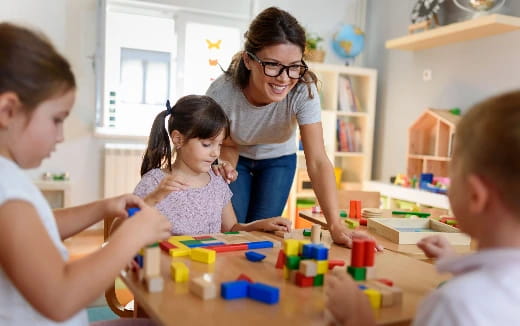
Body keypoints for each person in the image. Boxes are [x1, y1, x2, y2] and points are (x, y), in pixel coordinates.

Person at [0, 23, 171, 325]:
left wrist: (103, 207)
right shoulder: (7, 192)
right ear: (8, 111)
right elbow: (60, 298)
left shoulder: (8, 181)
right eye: (56, 119)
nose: (60, 136)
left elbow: (34, 230)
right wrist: (132, 236)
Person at [325, 90, 520, 326]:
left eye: (451, 173)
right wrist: (453, 262)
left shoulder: (452, 305)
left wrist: (358, 318)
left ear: (475, 195)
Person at [206, 7, 376, 248]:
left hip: (278, 158)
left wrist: (335, 224)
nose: (284, 79)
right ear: (248, 60)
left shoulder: (303, 91)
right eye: (273, 65)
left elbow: (317, 160)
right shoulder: (222, 93)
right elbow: (227, 144)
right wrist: (224, 169)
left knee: (263, 235)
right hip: (236, 156)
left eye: (294, 66)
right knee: (235, 232)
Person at [133, 95, 291, 235]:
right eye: (207, 144)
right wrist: (154, 198)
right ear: (178, 139)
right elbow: (124, 230)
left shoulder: (216, 181)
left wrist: (261, 225)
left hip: (210, 266)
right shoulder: (154, 183)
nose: (216, 153)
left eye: (220, 144)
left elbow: (231, 229)